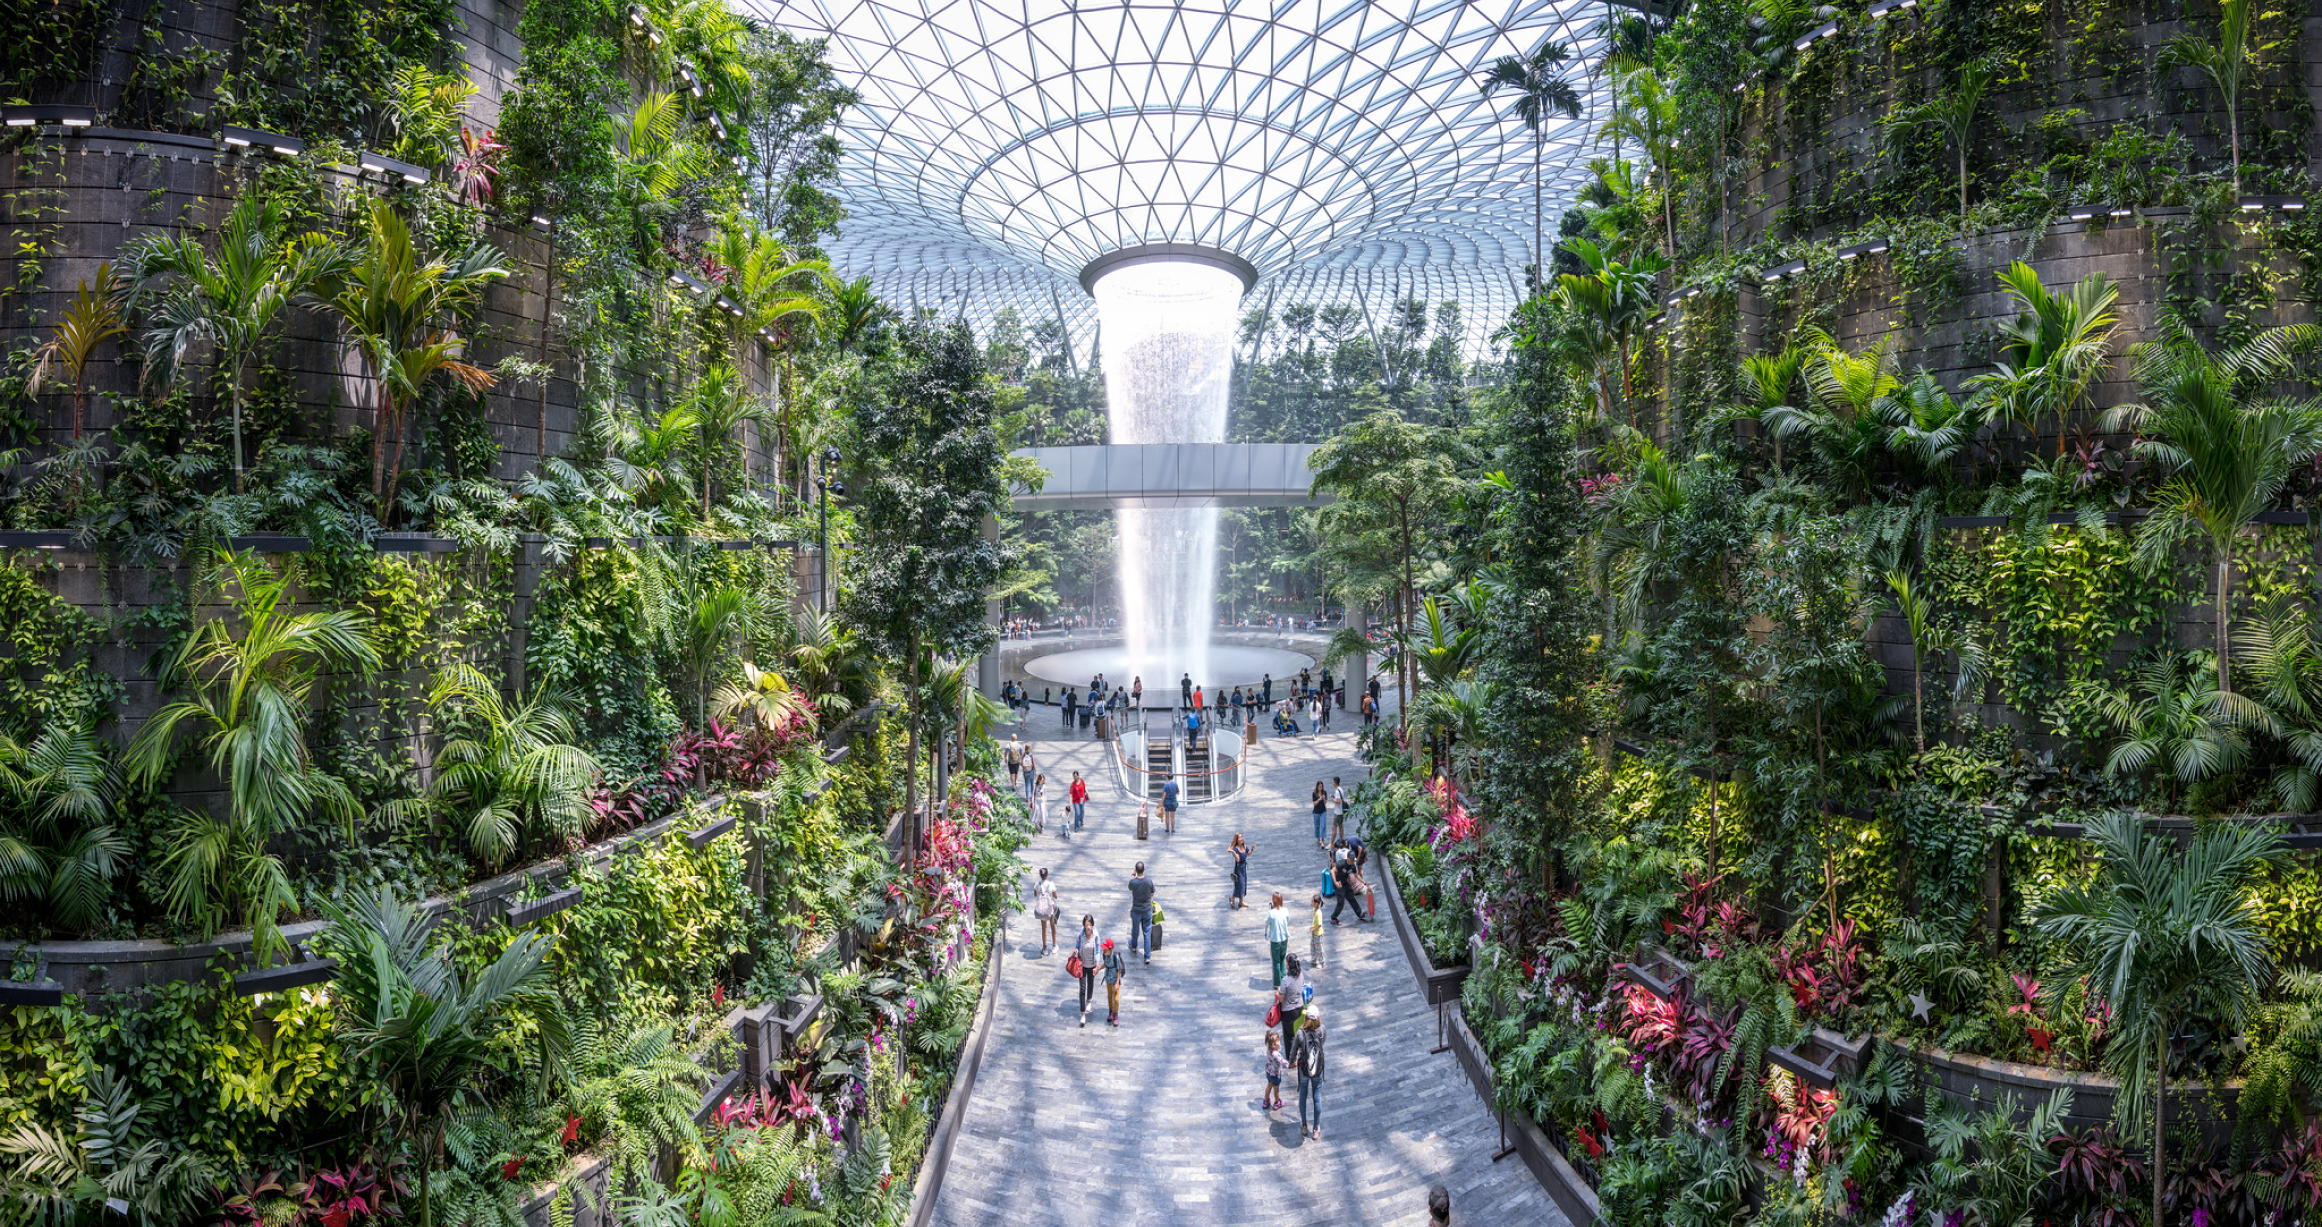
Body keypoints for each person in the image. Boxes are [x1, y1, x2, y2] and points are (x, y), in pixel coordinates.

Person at [1292, 1011, 1327, 1140]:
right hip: (1318, 1068)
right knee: (1317, 1097)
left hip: (1303, 1068)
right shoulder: (1322, 1030)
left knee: (1303, 1095)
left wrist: (1291, 1061)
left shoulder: (1301, 1033)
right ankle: (1316, 1127)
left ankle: (1304, 1124)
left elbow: (1294, 1050)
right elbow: (1322, 1044)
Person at [1275, 954, 1307, 1052]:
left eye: (1286, 962)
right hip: (1300, 1007)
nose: (1285, 964)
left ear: (1289, 964)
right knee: (1299, 1032)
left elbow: (1281, 998)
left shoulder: (1286, 980)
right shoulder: (1301, 974)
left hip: (1288, 1011)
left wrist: (1277, 993)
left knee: (1289, 1036)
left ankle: (1291, 1059)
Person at [1073, 914, 1100, 1026]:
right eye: (1086, 925)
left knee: (1091, 984)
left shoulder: (1096, 936)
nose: (1088, 927)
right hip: (1082, 965)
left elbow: (1098, 950)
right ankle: (1083, 1013)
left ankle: (1089, 1000)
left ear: (1092, 925)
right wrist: (1075, 951)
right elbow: (1077, 946)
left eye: (1090, 925)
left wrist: (1097, 966)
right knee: (1082, 988)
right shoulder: (1080, 935)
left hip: (1092, 965)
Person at [1126, 861, 1155, 963]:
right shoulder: (1148, 881)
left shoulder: (1133, 882)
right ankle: (1147, 956)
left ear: (1135, 870)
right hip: (1147, 910)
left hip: (1136, 910)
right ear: (1144, 870)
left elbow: (1129, 887)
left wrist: (1132, 875)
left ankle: (1134, 946)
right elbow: (1152, 893)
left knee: (1135, 929)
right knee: (1147, 932)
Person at [1332, 852, 1370, 924]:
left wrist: (1364, 883)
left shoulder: (1352, 866)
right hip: (1338, 884)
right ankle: (1333, 918)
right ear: (1348, 858)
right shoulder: (1341, 863)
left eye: (1353, 859)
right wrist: (1335, 882)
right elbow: (1332, 871)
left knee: (1351, 897)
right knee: (1341, 902)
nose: (1352, 860)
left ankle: (1359, 914)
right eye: (1351, 859)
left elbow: (1356, 876)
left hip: (1345, 883)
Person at [1031, 867, 1060, 954]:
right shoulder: (1051, 884)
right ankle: (1054, 945)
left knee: (1044, 928)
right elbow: (1055, 896)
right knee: (1052, 926)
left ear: (1040, 875)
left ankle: (1044, 948)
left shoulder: (1037, 884)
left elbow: (1035, 894)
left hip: (1042, 908)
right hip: (1050, 908)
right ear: (1047, 875)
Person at [1265, 892, 1290, 986]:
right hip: (1284, 938)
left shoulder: (1271, 913)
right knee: (1282, 959)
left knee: (1276, 962)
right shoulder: (1285, 911)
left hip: (1275, 940)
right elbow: (1287, 920)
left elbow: (1267, 923)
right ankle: (1284, 979)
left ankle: (1277, 983)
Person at [1101, 937, 1127, 1026]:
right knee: (1109, 996)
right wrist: (1097, 969)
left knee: (1115, 998)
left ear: (1110, 949)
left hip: (1115, 979)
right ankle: (1110, 1012)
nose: (1103, 950)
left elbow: (1119, 969)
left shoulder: (1116, 957)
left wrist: (1117, 983)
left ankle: (1115, 1015)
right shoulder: (1104, 955)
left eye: (1105, 949)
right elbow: (1105, 964)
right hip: (1108, 978)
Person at [1263, 1030, 1287, 1112]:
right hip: (1275, 1074)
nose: (1279, 1042)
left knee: (1269, 1085)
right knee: (1276, 1089)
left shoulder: (1269, 1050)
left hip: (1269, 1071)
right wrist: (1290, 1064)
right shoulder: (1276, 1055)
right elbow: (1282, 1062)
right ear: (1273, 1045)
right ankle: (1277, 1102)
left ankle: (1266, 1100)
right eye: (1278, 1041)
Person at [1229, 833, 1250, 909]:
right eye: (1240, 838)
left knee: (1243, 885)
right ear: (1237, 840)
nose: (1242, 839)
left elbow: (1248, 854)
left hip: (1244, 868)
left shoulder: (1244, 846)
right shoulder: (1236, 849)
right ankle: (1232, 897)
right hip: (1238, 869)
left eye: (1242, 837)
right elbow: (1238, 859)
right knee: (1240, 885)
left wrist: (1252, 849)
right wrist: (1233, 852)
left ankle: (1241, 902)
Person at [1329, 777, 1348, 843]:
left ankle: (1331, 843)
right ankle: (1341, 840)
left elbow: (1338, 801)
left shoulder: (1337, 791)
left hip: (1337, 812)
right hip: (1341, 811)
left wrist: (1332, 799)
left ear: (1334, 782)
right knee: (1341, 826)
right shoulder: (1341, 789)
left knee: (1334, 827)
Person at [1309, 892, 1324, 971]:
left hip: (1318, 934)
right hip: (1314, 933)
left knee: (1319, 948)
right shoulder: (1315, 910)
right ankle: (1314, 959)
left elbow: (1319, 925)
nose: (1311, 903)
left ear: (1316, 903)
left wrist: (1313, 929)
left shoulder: (1318, 913)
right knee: (1312, 946)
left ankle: (1321, 962)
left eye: (1312, 901)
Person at [1311, 781, 1328, 847]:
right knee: (1317, 826)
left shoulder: (1324, 792)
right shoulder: (1314, 793)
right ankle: (1318, 839)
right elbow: (1314, 804)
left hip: (1323, 811)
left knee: (1323, 825)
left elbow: (1325, 803)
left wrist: (1323, 799)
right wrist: (1319, 799)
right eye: (1319, 786)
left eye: (1321, 786)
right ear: (1317, 787)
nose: (1321, 788)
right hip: (1316, 812)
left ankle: (1322, 840)